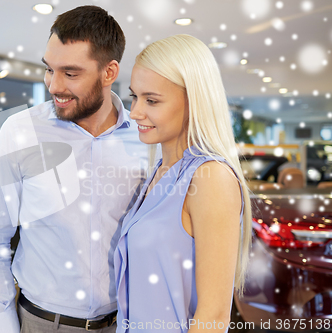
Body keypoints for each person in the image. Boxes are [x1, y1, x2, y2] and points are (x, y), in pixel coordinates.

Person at [0, 6, 151, 333]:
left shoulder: (145, 138)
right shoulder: (21, 131)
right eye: (49, 70)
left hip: (125, 322)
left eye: (70, 73)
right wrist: (5, 326)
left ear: (109, 72)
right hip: (41, 323)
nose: (54, 86)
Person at [114, 34, 252, 333]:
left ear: (194, 102)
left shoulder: (211, 177)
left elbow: (213, 317)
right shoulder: (159, 172)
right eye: (134, 97)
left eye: (151, 100)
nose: (135, 112)